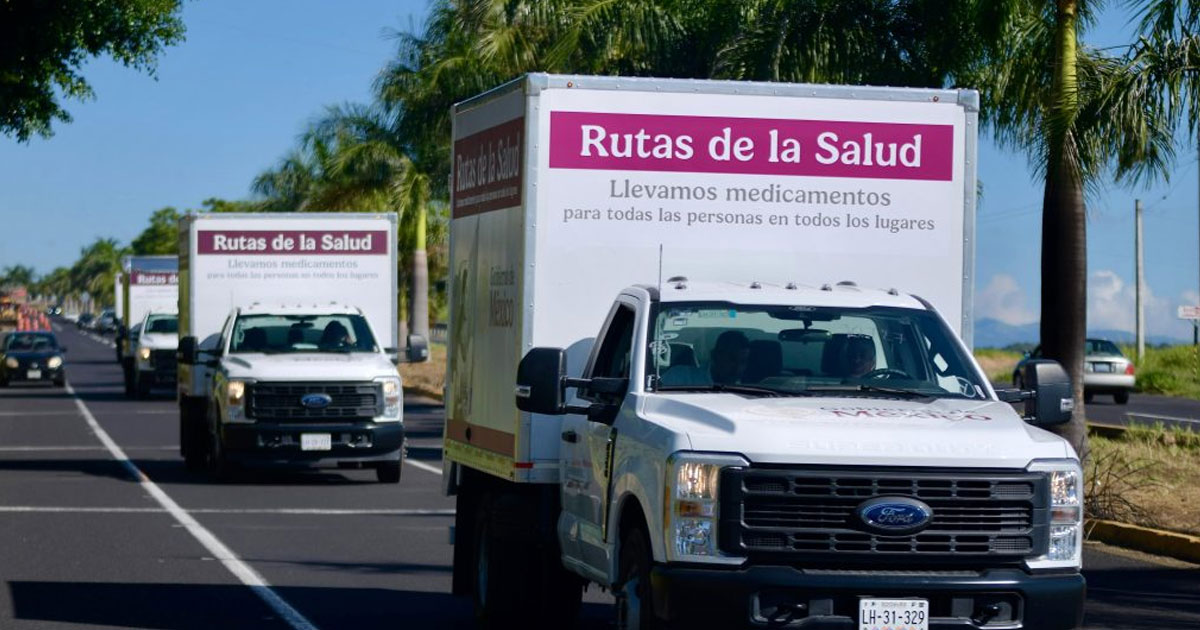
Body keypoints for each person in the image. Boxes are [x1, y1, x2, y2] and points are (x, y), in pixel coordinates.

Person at [659, 330, 749, 386]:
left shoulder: (755, 389)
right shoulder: (680, 377)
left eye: (742, 362)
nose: (737, 367)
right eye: (732, 359)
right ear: (715, 356)